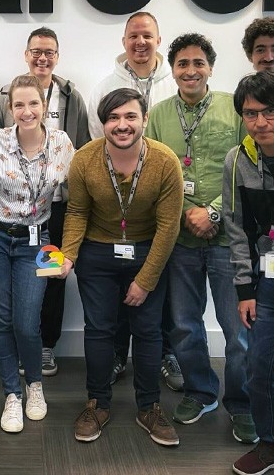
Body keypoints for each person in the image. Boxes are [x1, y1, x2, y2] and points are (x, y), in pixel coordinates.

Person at [145, 33, 255, 443]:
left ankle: (242, 403)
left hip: (229, 238)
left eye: (198, 63)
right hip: (180, 240)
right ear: (172, 69)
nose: (190, 70)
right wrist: (183, 214)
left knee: (238, 330)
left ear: (210, 66)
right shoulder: (157, 113)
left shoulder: (234, 106)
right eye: (182, 63)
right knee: (185, 326)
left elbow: (246, 167)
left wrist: (209, 210)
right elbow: (155, 172)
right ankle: (201, 389)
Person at [62, 88, 183, 447]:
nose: (122, 125)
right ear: (103, 123)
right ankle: (97, 403)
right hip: (98, 252)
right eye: (113, 118)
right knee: (99, 328)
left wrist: (145, 281)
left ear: (144, 119)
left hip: (147, 250)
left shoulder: (164, 162)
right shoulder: (84, 159)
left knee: (147, 331)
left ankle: (149, 407)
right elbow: (77, 212)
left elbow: (168, 227)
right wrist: (68, 255)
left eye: (130, 116)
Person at [0, 74, 74, 433]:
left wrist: (68, 252)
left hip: (40, 240)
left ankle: (35, 386)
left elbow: (77, 200)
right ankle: (12, 393)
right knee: (1, 319)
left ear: (44, 107)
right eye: (19, 105)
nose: (26, 111)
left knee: (28, 321)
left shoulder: (61, 142)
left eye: (33, 104)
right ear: (9, 108)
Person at [87, 12, 182, 391]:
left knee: (159, 293)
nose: (140, 42)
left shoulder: (175, 81)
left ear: (159, 39)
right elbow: (101, 143)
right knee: (116, 301)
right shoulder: (105, 85)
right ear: (124, 41)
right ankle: (115, 358)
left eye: (147, 35)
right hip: (114, 213)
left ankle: (162, 356)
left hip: (161, 201)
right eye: (133, 36)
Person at [0, 27, 90, 377]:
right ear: (26, 54)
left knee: (51, 275)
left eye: (49, 51)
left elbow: (79, 149)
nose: (42, 57)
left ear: (57, 57)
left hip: (58, 208)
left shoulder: (71, 96)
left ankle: (46, 345)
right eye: (36, 51)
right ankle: (23, 343)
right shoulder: (7, 94)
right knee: (20, 279)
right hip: (17, 211)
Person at [223, 71, 274, 475]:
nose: (261, 122)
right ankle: (273, 446)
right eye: (251, 113)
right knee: (258, 367)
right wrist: (244, 289)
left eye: (271, 111)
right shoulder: (238, 161)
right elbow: (236, 228)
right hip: (271, 283)